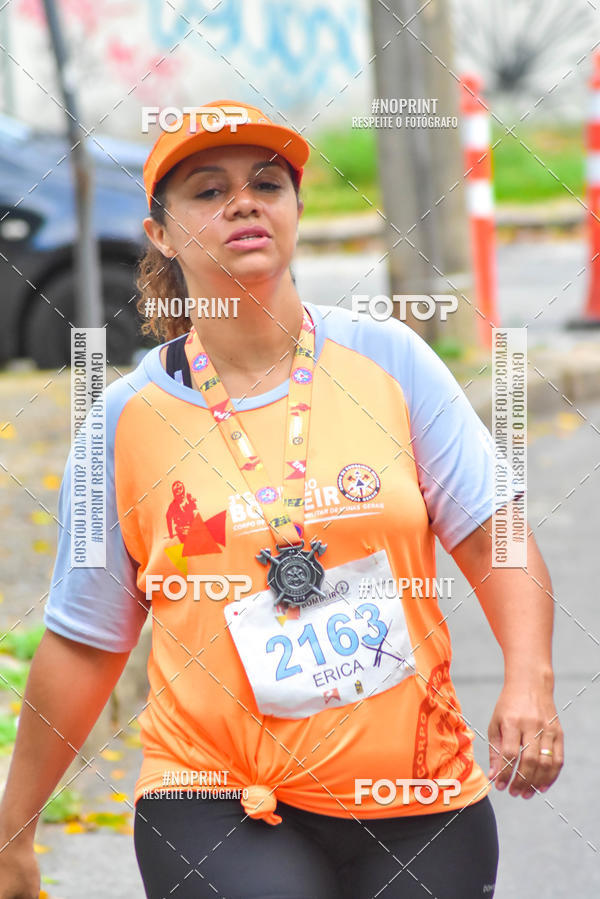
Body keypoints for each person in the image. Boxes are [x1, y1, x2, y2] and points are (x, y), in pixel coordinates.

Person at [0, 99, 564, 899]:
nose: (243, 201)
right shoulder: (123, 419)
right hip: (213, 792)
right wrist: (12, 831)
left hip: (415, 786)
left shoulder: (389, 359)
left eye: (268, 182)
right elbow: (86, 638)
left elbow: (490, 530)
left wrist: (530, 679)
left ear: (296, 210)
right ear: (159, 232)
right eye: (207, 189)